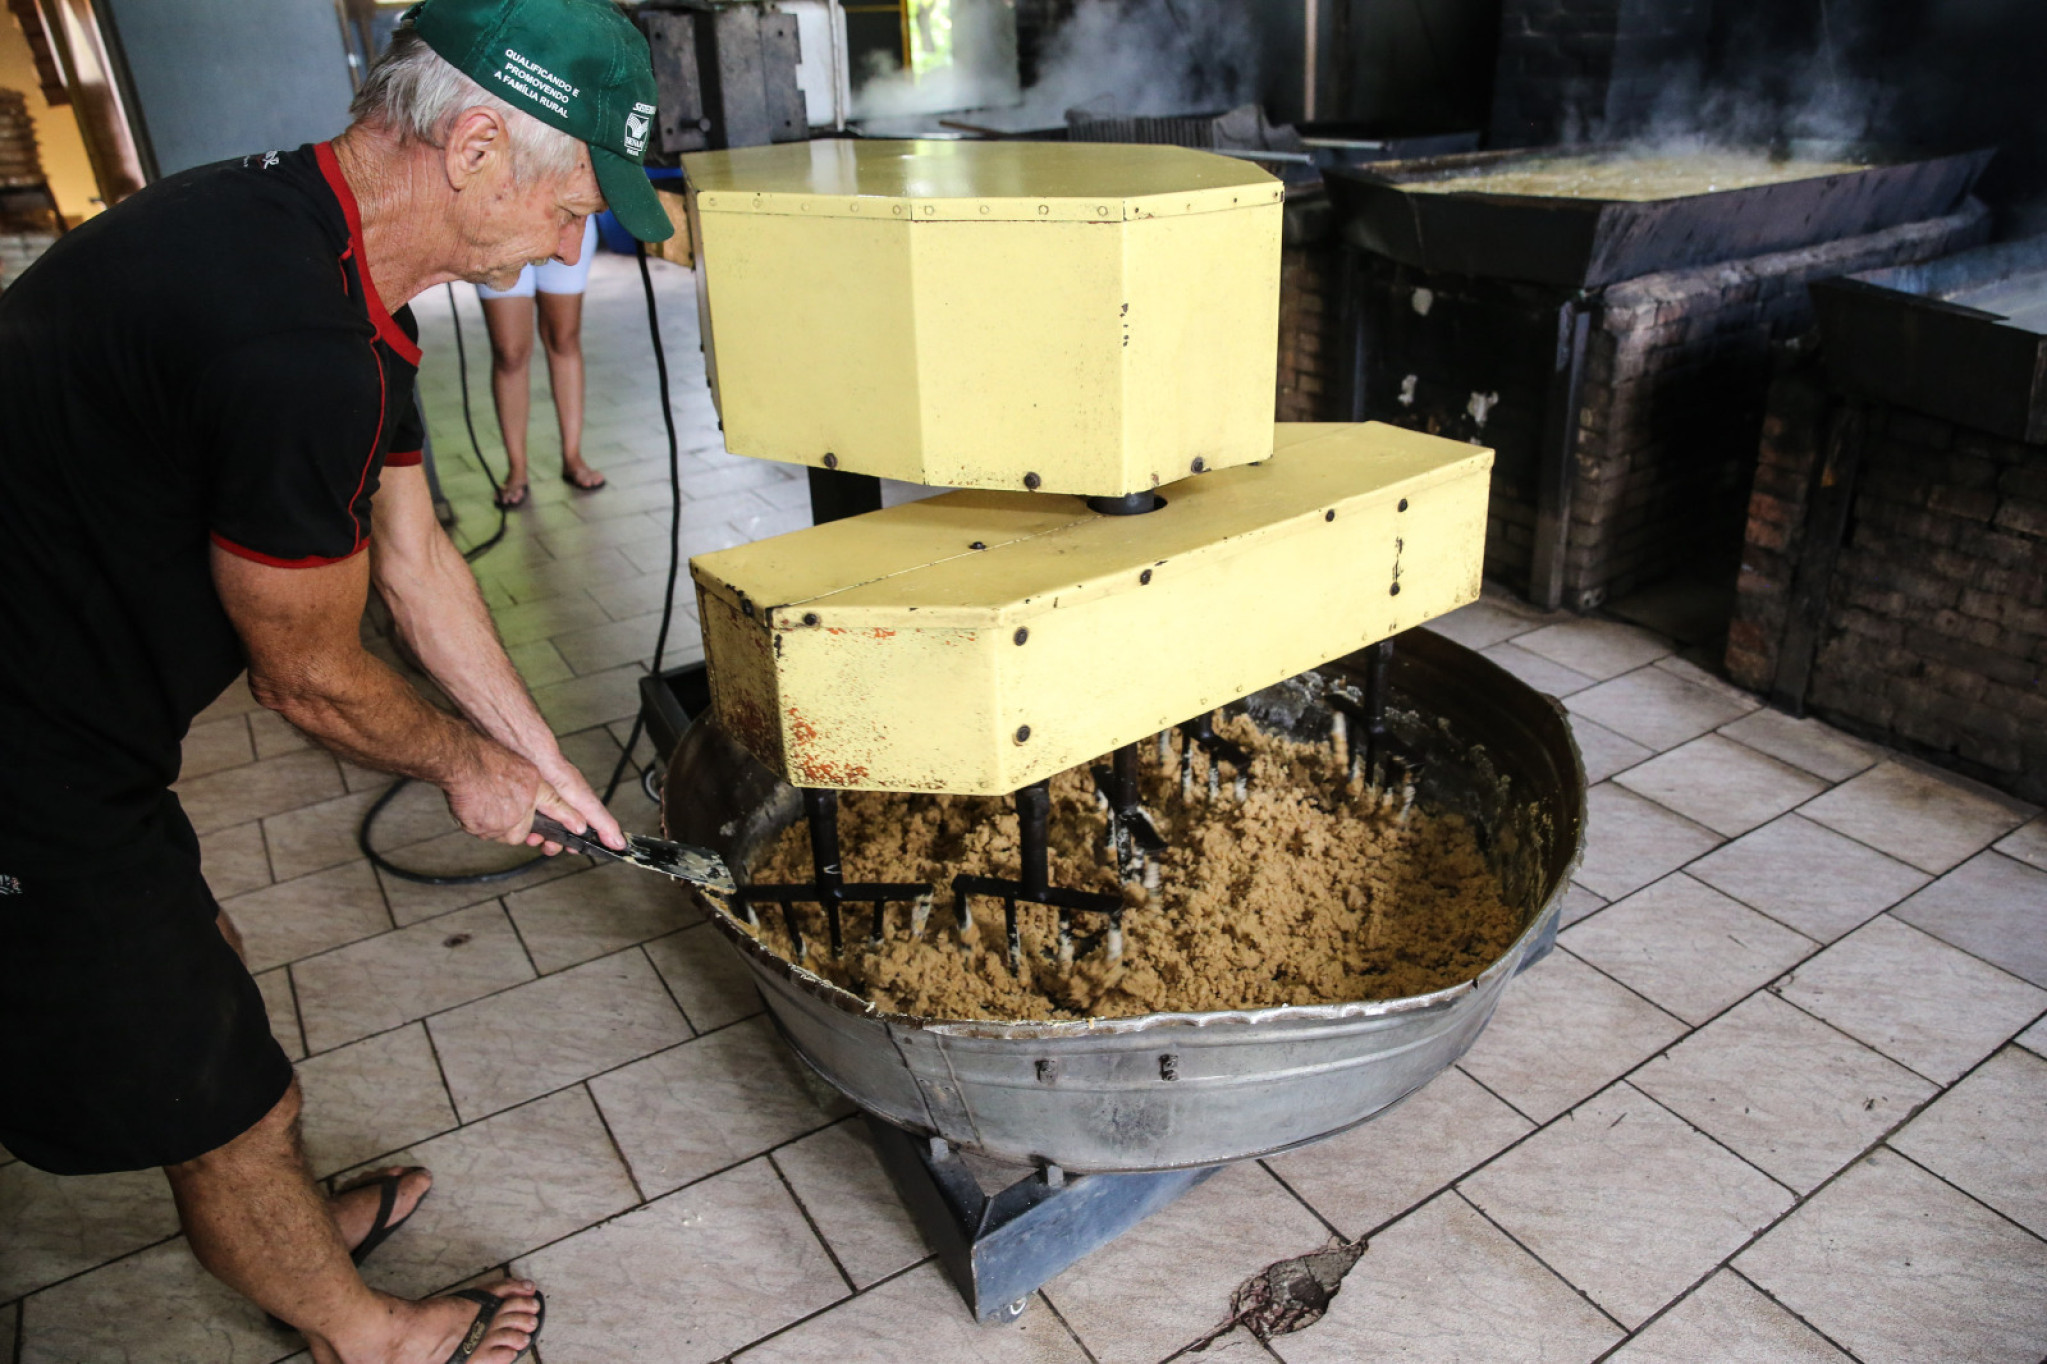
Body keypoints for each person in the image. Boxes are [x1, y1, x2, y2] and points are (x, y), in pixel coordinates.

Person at [0, 0, 673, 1359]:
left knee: (206, 971)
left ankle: (277, 1215)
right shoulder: (294, 348)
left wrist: (535, 757)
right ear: (477, 147)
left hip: (67, 707)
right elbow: (307, 680)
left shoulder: (319, 251)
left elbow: (416, 558)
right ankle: (366, 1337)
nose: (569, 244)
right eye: (569, 206)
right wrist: (463, 771)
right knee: (215, 1095)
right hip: (20, 749)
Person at [477, 214, 607, 507]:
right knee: (509, 352)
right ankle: (517, 468)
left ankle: (573, 456)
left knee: (564, 337)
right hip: (498, 220)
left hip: (564, 216)